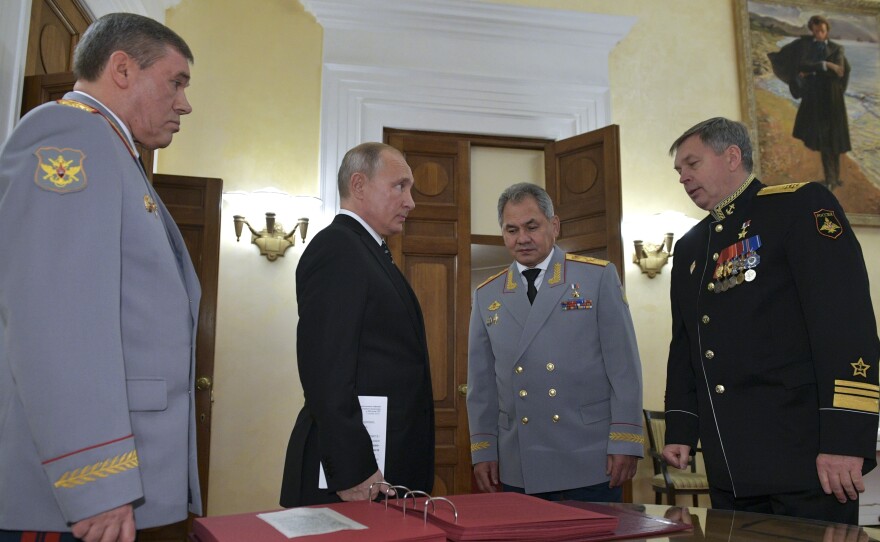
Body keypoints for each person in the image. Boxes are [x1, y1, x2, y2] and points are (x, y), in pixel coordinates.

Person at [0, 12, 200, 542]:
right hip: (72, 499)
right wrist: (97, 483)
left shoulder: (113, 151)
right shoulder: (69, 135)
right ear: (122, 69)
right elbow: (55, 324)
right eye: (176, 81)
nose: (184, 102)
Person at [662, 117, 879, 524]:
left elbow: (846, 326)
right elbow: (686, 345)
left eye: (691, 164)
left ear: (731, 156)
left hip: (807, 458)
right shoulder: (691, 246)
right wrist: (680, 428)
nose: (683, 177)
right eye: (678, 171)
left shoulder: (797, 206)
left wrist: (845, 438)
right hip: (731, 464)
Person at [280, 142, 434, 507]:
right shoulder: (338, 249)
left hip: (380, 467)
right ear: (359, 185)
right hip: (356, 478)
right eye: (400, 186)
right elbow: (327, 373)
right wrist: (353, 470)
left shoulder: (367, 250)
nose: (411, 201)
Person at [467, 182, 643, 502]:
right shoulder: (486, 295)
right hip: (519, 460)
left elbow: (624, 368)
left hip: (589, 456)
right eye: (511, 229)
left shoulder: (596, 278)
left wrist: (626, 440)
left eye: (532, 226)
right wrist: (483, 450)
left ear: (554, 225)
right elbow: (481, 386)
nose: (522, 238)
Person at [768, 14, 851, 189]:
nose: (819, 34)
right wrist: (826, 65)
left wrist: (820, 71)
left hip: (833, 100)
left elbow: (841, 71)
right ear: (813, 31)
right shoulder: (809, 47)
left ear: (827, 30)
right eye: (816, 31)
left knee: (832, 139)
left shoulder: (838, 48)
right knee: (824, 139)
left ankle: (832, 179)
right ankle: (832, 179)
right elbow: (803, 65)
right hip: (817, 100)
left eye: (822, 30)